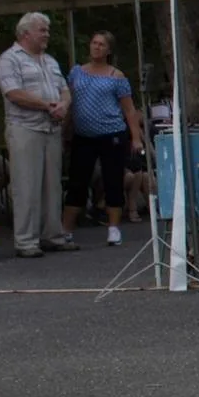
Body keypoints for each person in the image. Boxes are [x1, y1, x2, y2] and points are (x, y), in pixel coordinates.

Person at [0, 12, 75, 257]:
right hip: (24, 128)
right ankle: (26, 241)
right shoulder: (9, 60)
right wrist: (47, 105)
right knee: (26, 185)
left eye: (47, 30)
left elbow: (65, 89)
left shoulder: (49, 60)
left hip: (51, 129)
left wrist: (63, 104)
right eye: (42, 30)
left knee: (52, 186)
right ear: (25, 33)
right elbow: (13, 93)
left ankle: (53, 235)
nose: (46, 35)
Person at [62, 31, 144, 248]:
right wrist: (64, 129)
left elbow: (129, 109)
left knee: (113, 180)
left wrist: (135, 137)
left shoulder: (116, 77)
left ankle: (114, 227)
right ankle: (66, 229)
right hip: (83, 135)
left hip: (111, 133)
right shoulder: (77, 73)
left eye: (101, 44)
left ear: (108, 50)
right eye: (94, 43)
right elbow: (70, 102)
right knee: (77, 181)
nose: (96, 47)